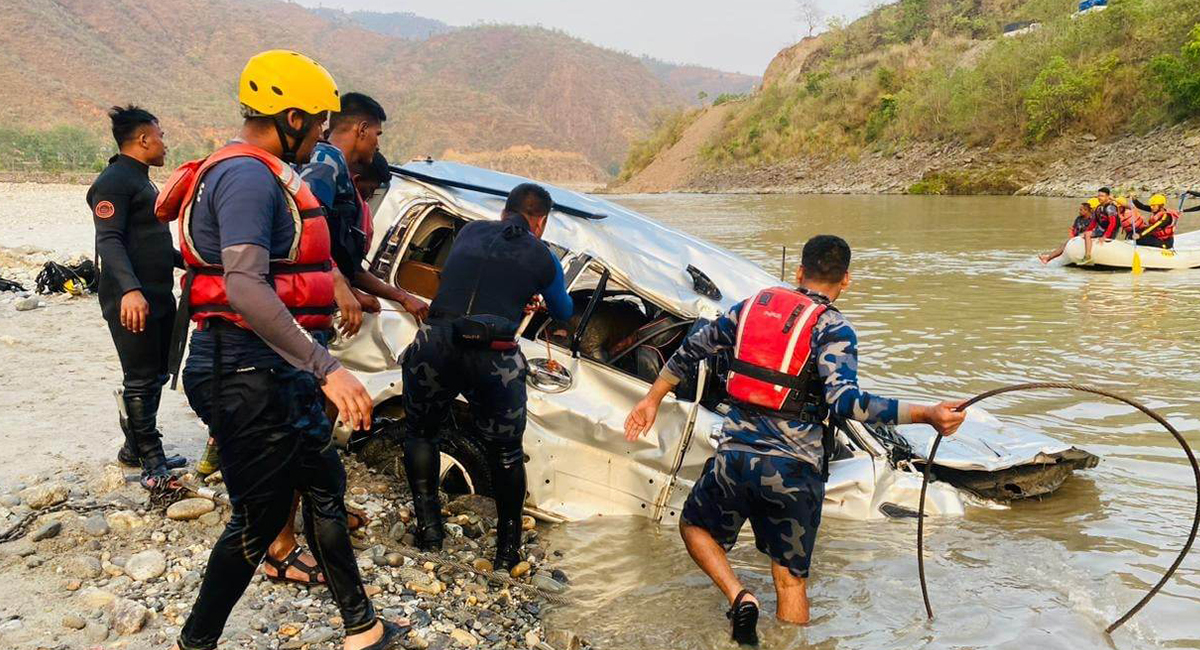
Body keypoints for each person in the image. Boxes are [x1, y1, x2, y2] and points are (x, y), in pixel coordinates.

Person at [623, 235, 966, 646]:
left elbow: (691, 349)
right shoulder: (834, 327)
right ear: (846, 281)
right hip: (793, 472)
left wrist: (650, 400)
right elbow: (846, 403)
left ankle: (739, 596)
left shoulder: (751, 306)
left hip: (734, 459)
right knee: (790, 583)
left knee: (695, 526)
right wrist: (924, 413)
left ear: (799, 272)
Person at [167, 50, 401, 650]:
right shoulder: (245, 176)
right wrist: (328, 369)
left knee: (324, 482)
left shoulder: (268, 170)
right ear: (291, 115)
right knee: (260, 517)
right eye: (320, 121)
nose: (326, 132)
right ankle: (196, 641)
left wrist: (313, 363)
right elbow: (243, 285)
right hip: (243, 370)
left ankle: (361, 626)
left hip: (276, 366)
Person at [399, 183, 572, 571]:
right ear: (540, 221)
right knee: (506, 451)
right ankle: (507, 551)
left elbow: (463, 281)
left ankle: (430, 532)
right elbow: (562, 310)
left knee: (421, 432)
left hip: (436, 341)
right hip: (493, 355)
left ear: (503, 212)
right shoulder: (542, 256)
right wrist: (533, 294)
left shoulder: (470, 231)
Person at [86, 105, 185, 488]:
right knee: (141, 378)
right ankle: (153, 462)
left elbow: (151, 242)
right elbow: (108, 240)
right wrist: (130, 290)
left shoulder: (142, 180)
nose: (165, 144)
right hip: (132, 299)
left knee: (157, 374)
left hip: (157, 294)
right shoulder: (113, 182)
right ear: (144, 139)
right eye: (161, 136)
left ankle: (134, 448)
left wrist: (188, 263)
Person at [300, 92, 427, 320]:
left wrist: (400, 296)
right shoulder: (325, 162)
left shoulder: (337, 169)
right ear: (361, 129)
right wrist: (339, 284)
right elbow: (305, 228)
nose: (377, 143)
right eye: (376, 134)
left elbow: (343, 259)